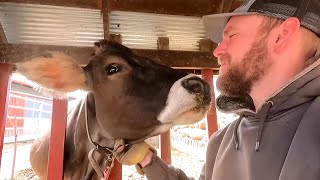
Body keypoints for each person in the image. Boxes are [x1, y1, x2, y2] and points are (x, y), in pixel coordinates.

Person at [115, 0, 320, 179]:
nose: (217, 50)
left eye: (231, 36)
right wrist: (148, 160)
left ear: (282, 35)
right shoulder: (222, 142)